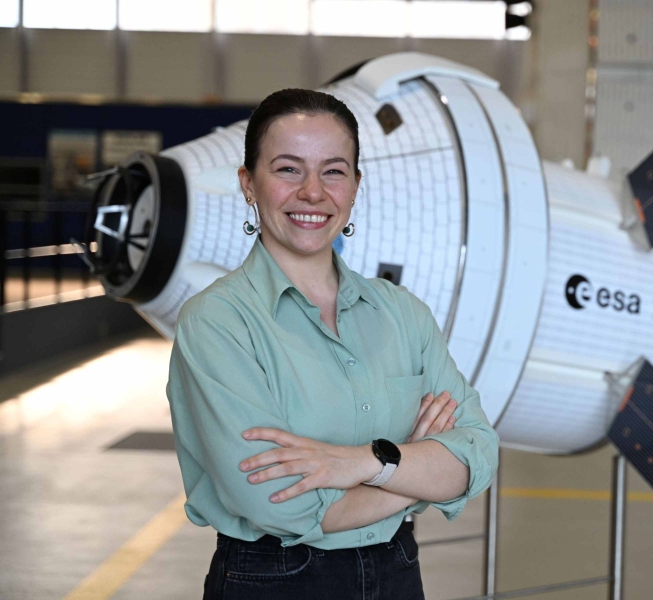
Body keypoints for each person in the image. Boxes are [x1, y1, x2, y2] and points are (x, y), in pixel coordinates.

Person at [165, 88, 500, 600]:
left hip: (397, 572)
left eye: (334, 171)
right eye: (288, 169)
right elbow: (280, 503)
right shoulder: (217, 323)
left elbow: (478, 453)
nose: (313, 192)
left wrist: (368, 462)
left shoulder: (402, 314)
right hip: (273, 580)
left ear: (356, 186)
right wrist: (414, 473)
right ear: (248, 183)